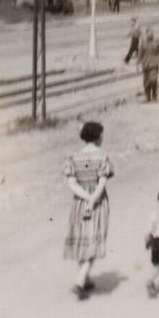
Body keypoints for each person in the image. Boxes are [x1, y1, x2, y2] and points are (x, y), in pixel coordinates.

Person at [63, 122, 115, 298]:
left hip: (79, 202)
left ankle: (86, 278)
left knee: (82, 238)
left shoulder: (73, 157)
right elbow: (102, 182)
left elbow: (71, 182)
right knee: (92, 239)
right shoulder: (103, 156)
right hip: (97, 202)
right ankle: (80, 279)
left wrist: (85, 198)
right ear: (98, 136)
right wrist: (92, 200)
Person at [137, 28, 159, 102]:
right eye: (148, 34)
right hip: (145, 64)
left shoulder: (157, 42)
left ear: (153, 34)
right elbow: (140, 54)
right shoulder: (143, 43)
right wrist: (138, 64)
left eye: (151, 34)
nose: (149, 35)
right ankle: (148, 97)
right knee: (146, 82)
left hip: (154, 63)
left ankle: (154, 95)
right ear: (146, 34)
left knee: (153, 80)